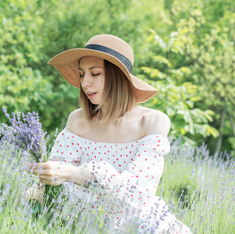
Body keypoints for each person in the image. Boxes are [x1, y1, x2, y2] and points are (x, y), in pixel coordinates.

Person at [26, 34, 192, 233]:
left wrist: (77, 174)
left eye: (95, 74)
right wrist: (35, 189)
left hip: (136, 223)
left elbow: (138, 193)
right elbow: (56, 177)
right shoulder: (79, 120)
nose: (85, 83)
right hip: (84, 221)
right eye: (81, 74)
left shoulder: (152, 122)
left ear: (117, 77)